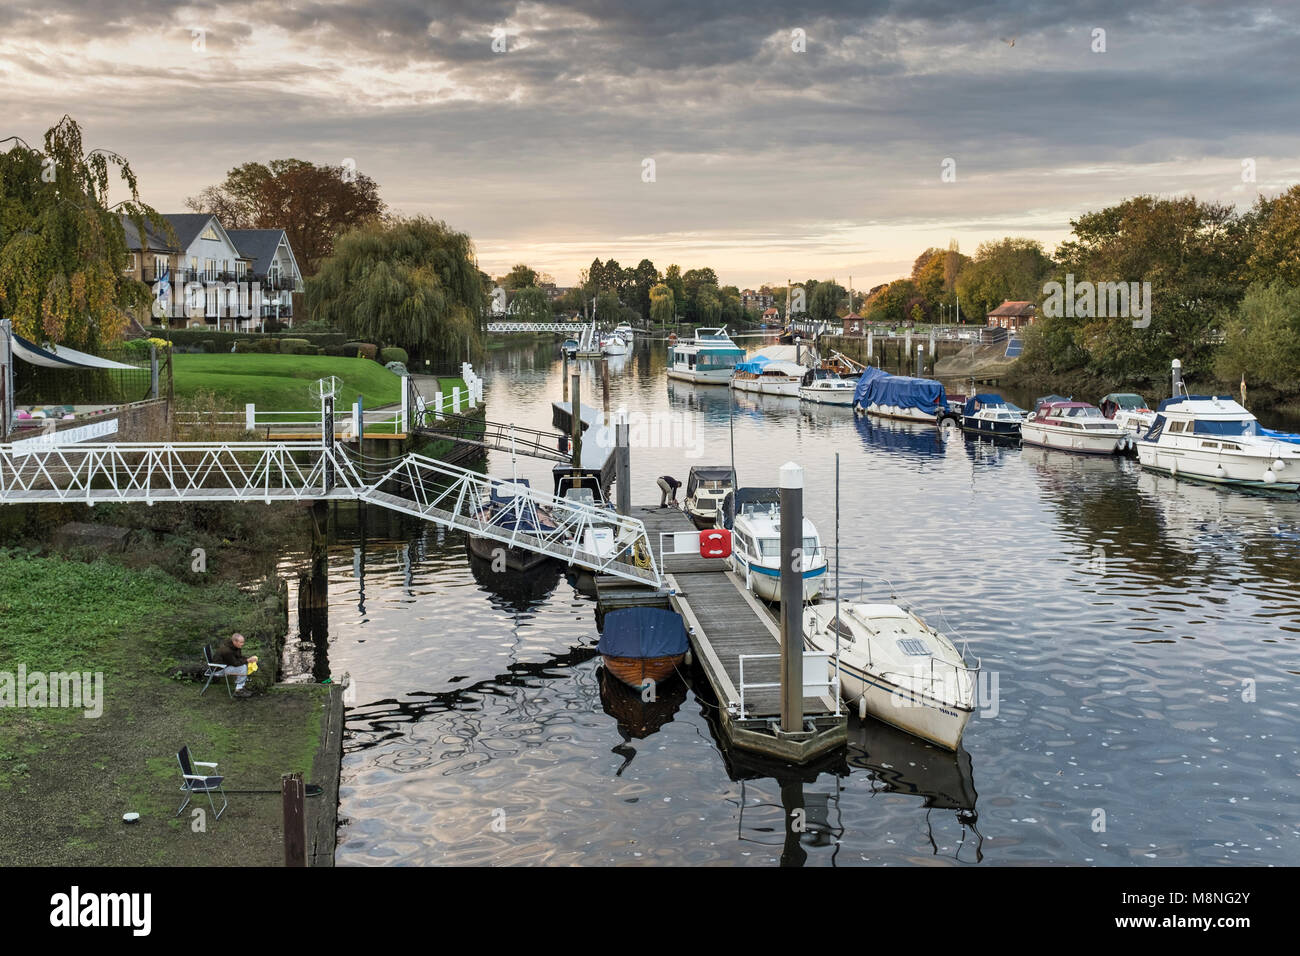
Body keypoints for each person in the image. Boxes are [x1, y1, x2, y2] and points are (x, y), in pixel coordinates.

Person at [214, 633, 259, 699]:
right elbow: (235, 663)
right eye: (241, 642)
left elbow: (239, 657)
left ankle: (241, 687)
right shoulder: (227, 651)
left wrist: (249, 659)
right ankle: (238, 690)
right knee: (243, 667)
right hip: (219, 669)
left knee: (243, 665)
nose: (242, 644)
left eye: (243, 642)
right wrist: (247, 660)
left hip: (226, 665)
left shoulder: (235, 647)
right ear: (234, 641)